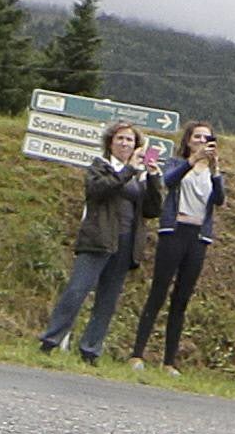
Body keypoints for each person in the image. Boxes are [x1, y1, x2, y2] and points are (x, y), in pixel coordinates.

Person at [36, 122, 156, 363]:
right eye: (120, 139)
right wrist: (128, 171)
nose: (124, 143)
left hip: (125, 243)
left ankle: (91, 349)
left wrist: (153, 178)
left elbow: (153, 209)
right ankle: (50, 340)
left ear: (136, 146)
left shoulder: (138, 176)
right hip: (98, 239)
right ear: (110, 143)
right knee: (77, 290)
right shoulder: (100, 167)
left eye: (130, 140)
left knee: (107, 300)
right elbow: (99, 190)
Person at [125, 121, 224, 374]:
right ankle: (137, 354)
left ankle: (169, 361)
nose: (203, 141)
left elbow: (220, 199)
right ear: (188, 140)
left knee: (181, 298)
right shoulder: (175, 163)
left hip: (198, 236)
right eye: (198, 137)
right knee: (158, 292)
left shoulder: (212, 170)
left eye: (207, 138)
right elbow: (166, 182)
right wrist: (192, 162)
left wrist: (215, 170)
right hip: (174, 230)